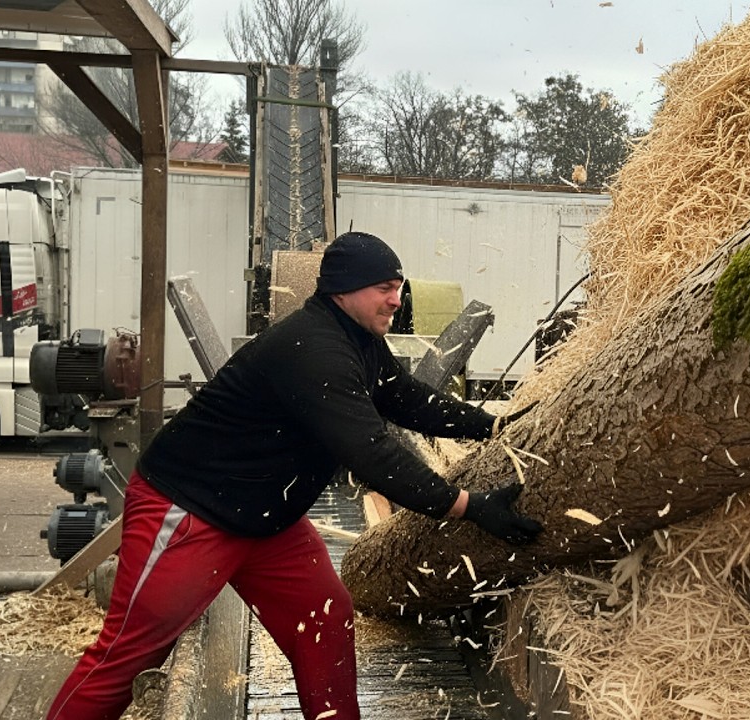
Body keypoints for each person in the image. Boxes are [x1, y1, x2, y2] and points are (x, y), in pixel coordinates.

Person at [47, 231, 543, 720]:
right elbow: (375, 456)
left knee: (324, 617)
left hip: (264, 519)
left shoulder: (360, 341)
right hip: (189, 511)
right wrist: (469, 505)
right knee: (132, 650)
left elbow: (409, 400)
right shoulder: (315, 349)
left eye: (399, 286)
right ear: (344, 290)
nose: (397, 299)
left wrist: (493, 426)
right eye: (384, 288)